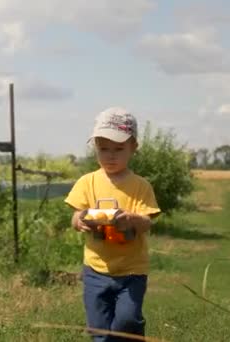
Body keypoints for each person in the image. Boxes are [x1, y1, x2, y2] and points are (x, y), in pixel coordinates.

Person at [64, 107, 161, 341]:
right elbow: (76, 216)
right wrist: (81, 221)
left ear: (133, 148)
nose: (110, 155)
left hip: (132, 271)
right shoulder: (87, 182)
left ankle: (132, 332)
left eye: (118, 149)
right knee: (99, 328)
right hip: (96, 269)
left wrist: (132, 219)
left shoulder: (140, 186)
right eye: (103, 148)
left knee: (127, 320)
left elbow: (147, 222)